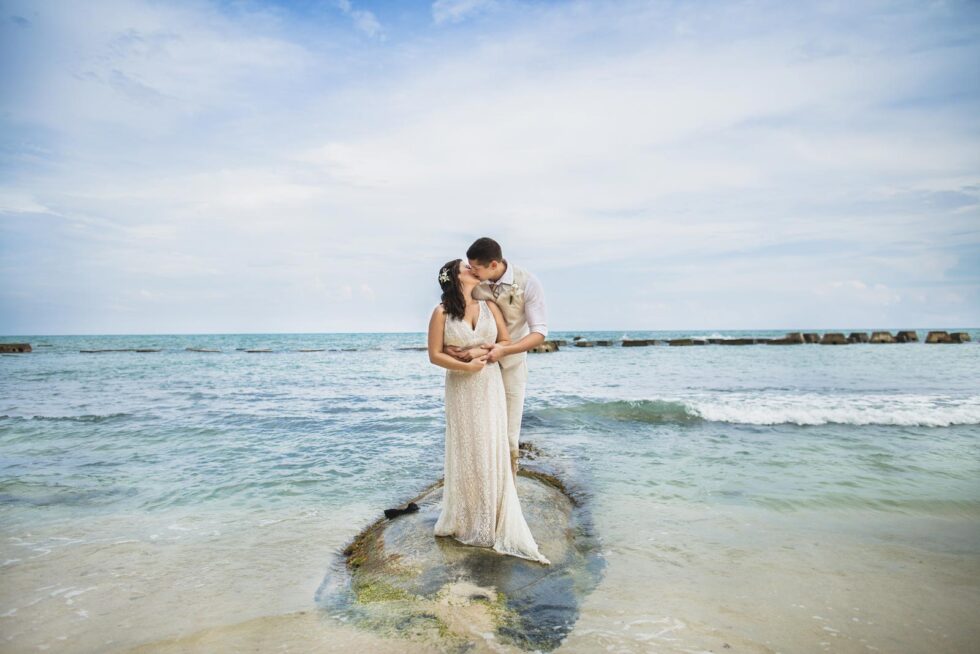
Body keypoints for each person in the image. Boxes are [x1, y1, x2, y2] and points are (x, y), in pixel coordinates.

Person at [427, 258, 550, 565]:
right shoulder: (440, 312)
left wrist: (477, 352)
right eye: (464, 268)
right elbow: (435, 355)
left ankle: (493, 516)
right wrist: (465, 365)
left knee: (490, 446)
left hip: (489, 384)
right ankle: (468, 518)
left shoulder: (489, 306)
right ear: (454, 278)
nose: (472, 269)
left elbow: (504, 343)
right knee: (468, 448)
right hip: (461, 386)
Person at [444, 237, 547, 477]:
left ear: (493, 264)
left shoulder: (528, 283)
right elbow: (455, 317)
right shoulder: (475, 283)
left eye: (476, 268)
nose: (472, 271)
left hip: (511, 367)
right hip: (478, 371)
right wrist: (450, 347)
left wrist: (505, 351)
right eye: (468, 267)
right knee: (480, 434)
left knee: (509, 435)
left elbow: (540, 332)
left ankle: (508, 494)